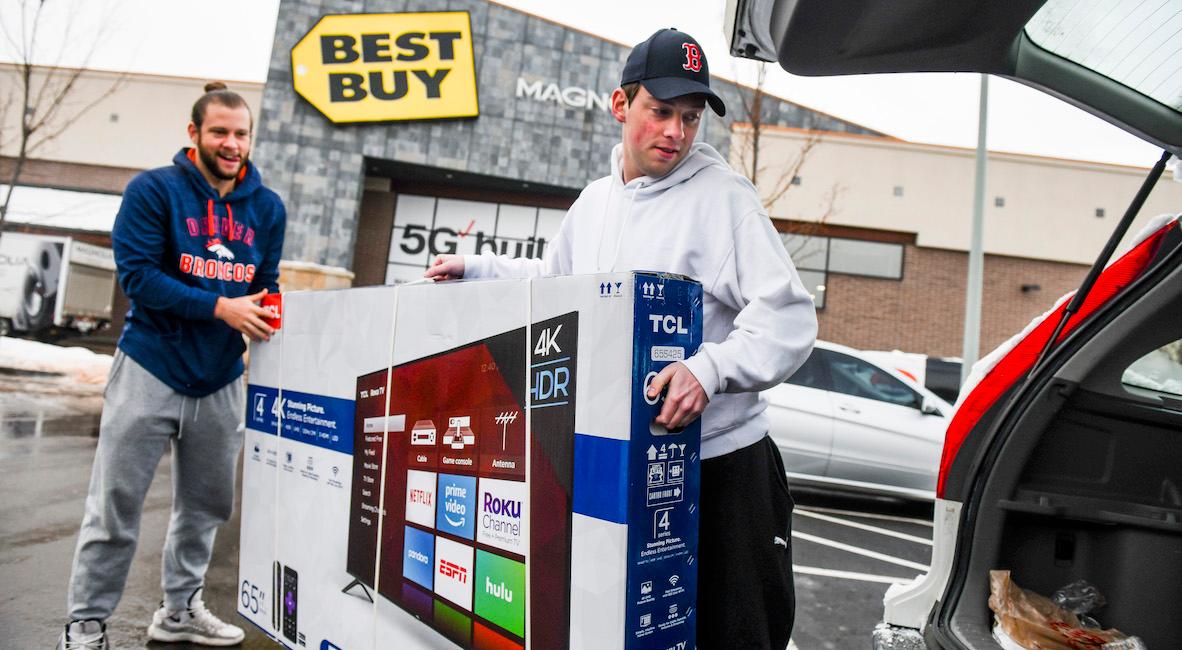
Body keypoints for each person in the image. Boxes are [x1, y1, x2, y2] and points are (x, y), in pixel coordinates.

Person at [426, 28, 816, 650]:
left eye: (690, 118)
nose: (676, 133)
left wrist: (709, 369)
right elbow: (559, 284)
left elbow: (789, 318)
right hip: (632, 463)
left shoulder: (724, 201)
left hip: (724, 468)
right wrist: (478, 268)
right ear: (620, 104)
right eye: (660, 112)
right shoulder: (594, 204)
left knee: (740, 632)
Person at [57, 82, 286, 650]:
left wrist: (271, 326)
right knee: (115, 507)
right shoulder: (153, 190)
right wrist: (219, 306)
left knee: (206, 506)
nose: (232, 144)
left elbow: (266, 287)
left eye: (241, 133)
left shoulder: (267, 208)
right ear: (194, 134)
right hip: (150, 366)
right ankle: (85, 623)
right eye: (220, 132)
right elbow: (137, 276)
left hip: (221, 378)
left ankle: (179, 612)